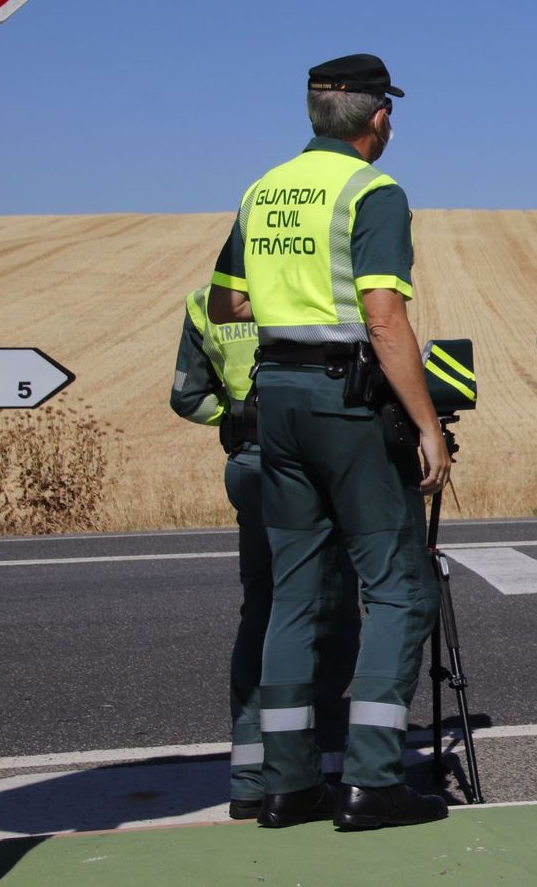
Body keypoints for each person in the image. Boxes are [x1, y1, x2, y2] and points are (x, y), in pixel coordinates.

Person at [207, 54, 450, 831]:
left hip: (274, 396)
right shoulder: (374, 192)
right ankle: (374, 780)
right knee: (396, 586)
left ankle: (286, 783)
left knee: (293, 590)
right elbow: (384, 317)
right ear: (378, 118)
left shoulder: (262, 189)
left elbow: (229, 299)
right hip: (344, 400)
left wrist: (293, 311)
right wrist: (427, 424)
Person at [170, 284, 361, 821]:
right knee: (327, 612)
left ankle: (250, 774)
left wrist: (238, 420)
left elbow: (187, 396)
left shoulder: (204, 301)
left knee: (263, 611)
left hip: (250, 466)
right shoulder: (318, 289)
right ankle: (315, 765)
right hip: (314, 462)